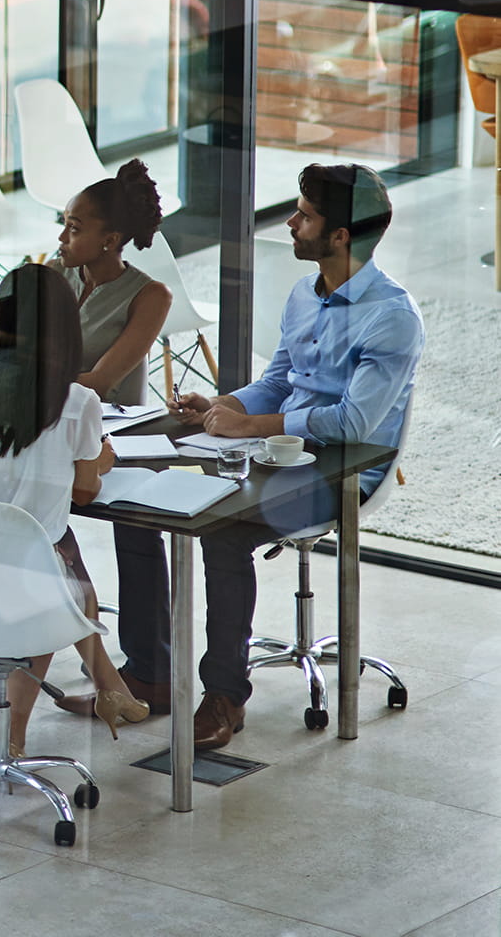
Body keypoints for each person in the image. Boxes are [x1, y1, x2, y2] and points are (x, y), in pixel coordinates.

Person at [162, 163, 422, 749]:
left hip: (345, 469)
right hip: (283, 452)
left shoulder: (392, 317)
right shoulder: (304, 294)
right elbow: (279, 381)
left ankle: (224, 695)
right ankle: (148, 674)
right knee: (178, 492)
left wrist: (251, 424)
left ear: (339, 237)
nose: (291, 222)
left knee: (222, 532)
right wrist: (223, 404)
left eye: (304, 215)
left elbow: (355, 423)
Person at [0, 264, 149, 754]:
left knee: (54, 558)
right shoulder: (77, 404)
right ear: (66, 335)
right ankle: (15, 735)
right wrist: (102, 460)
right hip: (26, 589)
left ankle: (112, 688)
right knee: (53, 571)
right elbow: (84, 493)